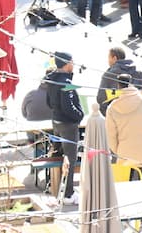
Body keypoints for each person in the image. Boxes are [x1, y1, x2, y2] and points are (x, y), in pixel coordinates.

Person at [106, 73, 142, 180]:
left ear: (118, 86)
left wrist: (117, 151)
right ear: (132, 83)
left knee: (126, 185)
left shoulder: (112, 107)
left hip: (124, 152)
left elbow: (110, 135)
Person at [45, 52, 84, 204]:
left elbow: (49, 102)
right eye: (72, 62)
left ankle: (56, 188)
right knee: (70, 158)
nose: (73, 65)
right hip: (68, 124)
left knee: (59, 155)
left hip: (56, 121)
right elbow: (69, 107)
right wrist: (79, 115)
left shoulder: (51, 80)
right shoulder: (65, 82)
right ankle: (68, 194)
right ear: (67, 63)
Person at [96, 47, 142, 115]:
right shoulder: (138, 73)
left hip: (117, 115)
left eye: (109, 58)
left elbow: (101, 98)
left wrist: (108, 115)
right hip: (138, 114)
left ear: (114, 58)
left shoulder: (109, 75)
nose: (108, 61)